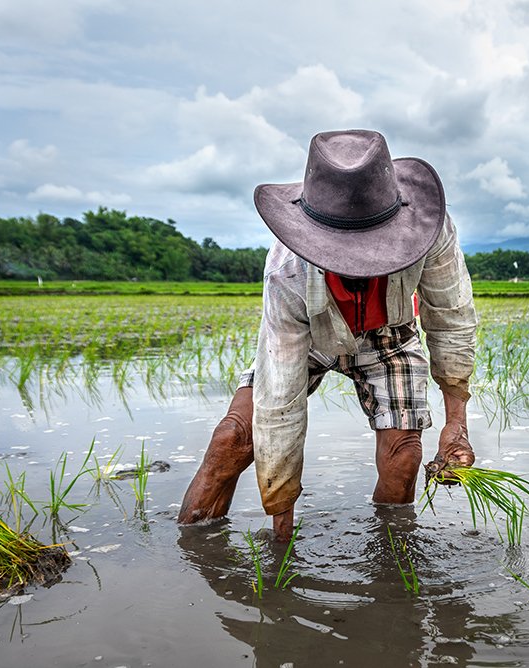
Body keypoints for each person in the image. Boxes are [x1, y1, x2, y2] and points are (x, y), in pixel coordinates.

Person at [178, 129, 478, 541]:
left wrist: (456, 424)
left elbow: (451, 317)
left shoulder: (431, 231)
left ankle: (391, 570)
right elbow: (280, 400)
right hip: (310, 336)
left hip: (389, 336)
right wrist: (282, 533)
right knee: (234, 438)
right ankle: (193, 545)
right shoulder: (287, 271)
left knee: (404, 456)